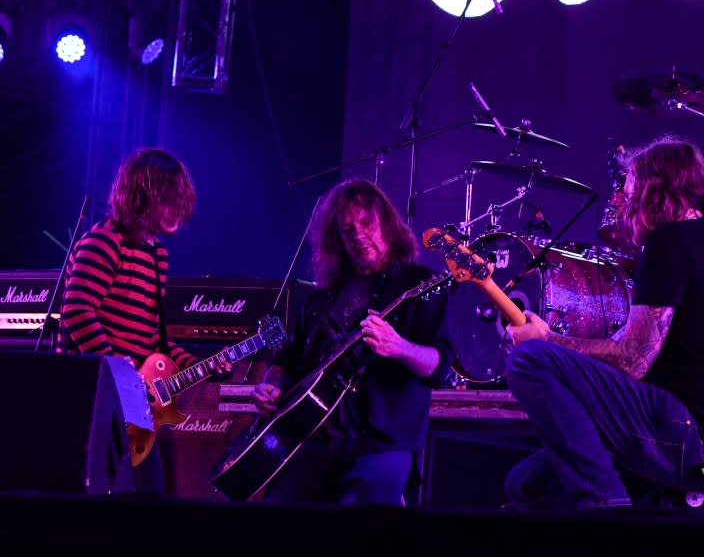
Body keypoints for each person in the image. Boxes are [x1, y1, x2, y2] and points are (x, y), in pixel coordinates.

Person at [502, 136, 704, 511]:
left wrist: (548, 338)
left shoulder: (670, 242)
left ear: (654, 192)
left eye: (630, 194)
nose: (622, 205)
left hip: (695, 452)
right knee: (531, 483)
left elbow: (633, 361)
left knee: (531, 359)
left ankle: (607, 507)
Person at [250, 178, 453, 506]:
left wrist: (398, 347)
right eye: (348, 230)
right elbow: (286, 359)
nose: (359, 235)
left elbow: (439, 366)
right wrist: (271, 385)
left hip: (381, 445)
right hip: (310, 440)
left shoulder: (420, 284)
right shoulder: (322, 295)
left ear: (385, 223)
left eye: (366, 223)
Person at [60, 148, 221, 493]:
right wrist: (122, 376)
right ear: (140, 198)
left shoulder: (157, 255)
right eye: (168, 200)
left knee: (149, 497)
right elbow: (77, 310)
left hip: (132, 402)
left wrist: (199, 365)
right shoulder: (105, 241)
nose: (177, 209)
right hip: (96, 397)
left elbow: (151, 340)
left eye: (181, 200)